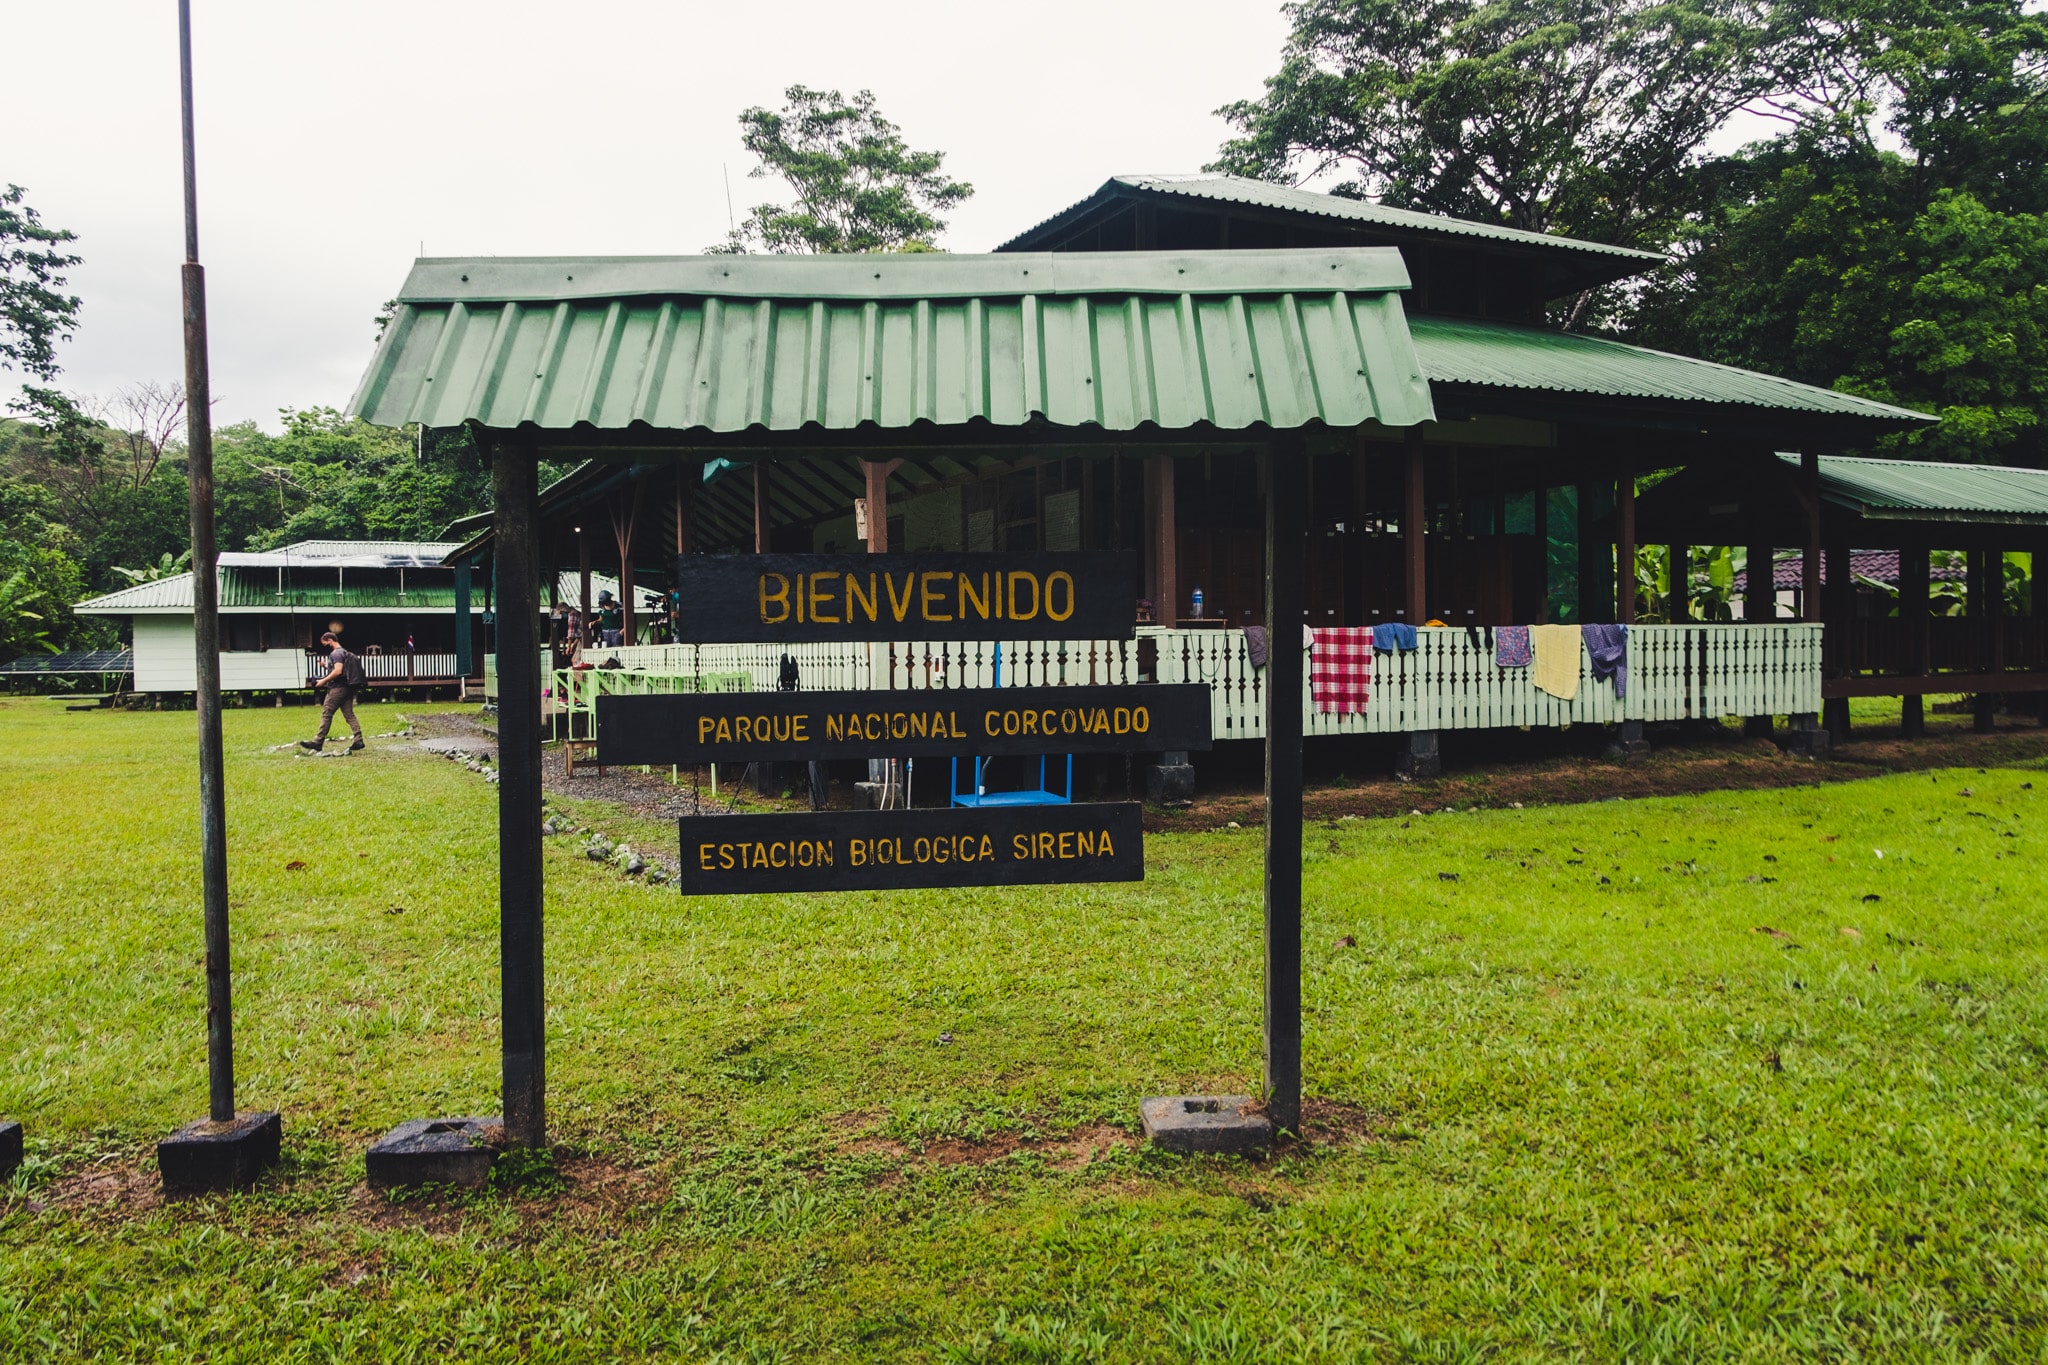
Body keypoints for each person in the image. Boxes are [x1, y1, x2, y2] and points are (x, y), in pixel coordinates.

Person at [300, 631, 366, 753]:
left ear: (330, 640)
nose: (325, 646)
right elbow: (340, 669)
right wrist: (326, 666)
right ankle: (358, 739)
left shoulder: (336, 653)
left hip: (337, 688)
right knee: (349, 715)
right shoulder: (344, 652)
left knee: (327, 713)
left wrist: (323, 681)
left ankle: (318, 742)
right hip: (348, 688)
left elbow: (338, 671)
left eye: (325, 644)